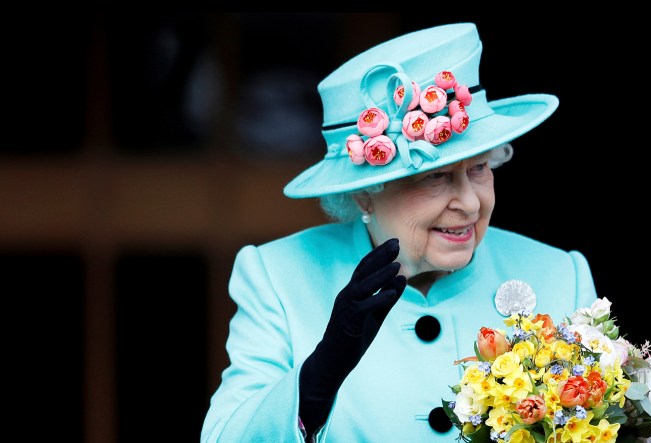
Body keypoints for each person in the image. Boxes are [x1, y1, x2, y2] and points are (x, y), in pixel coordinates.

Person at [201, 22, 598, 442]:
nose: (470, 202)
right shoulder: (279, 277)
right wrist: (315, 382)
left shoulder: (560, 275)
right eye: (436, 177)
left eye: (479, 167)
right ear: (363, 195)